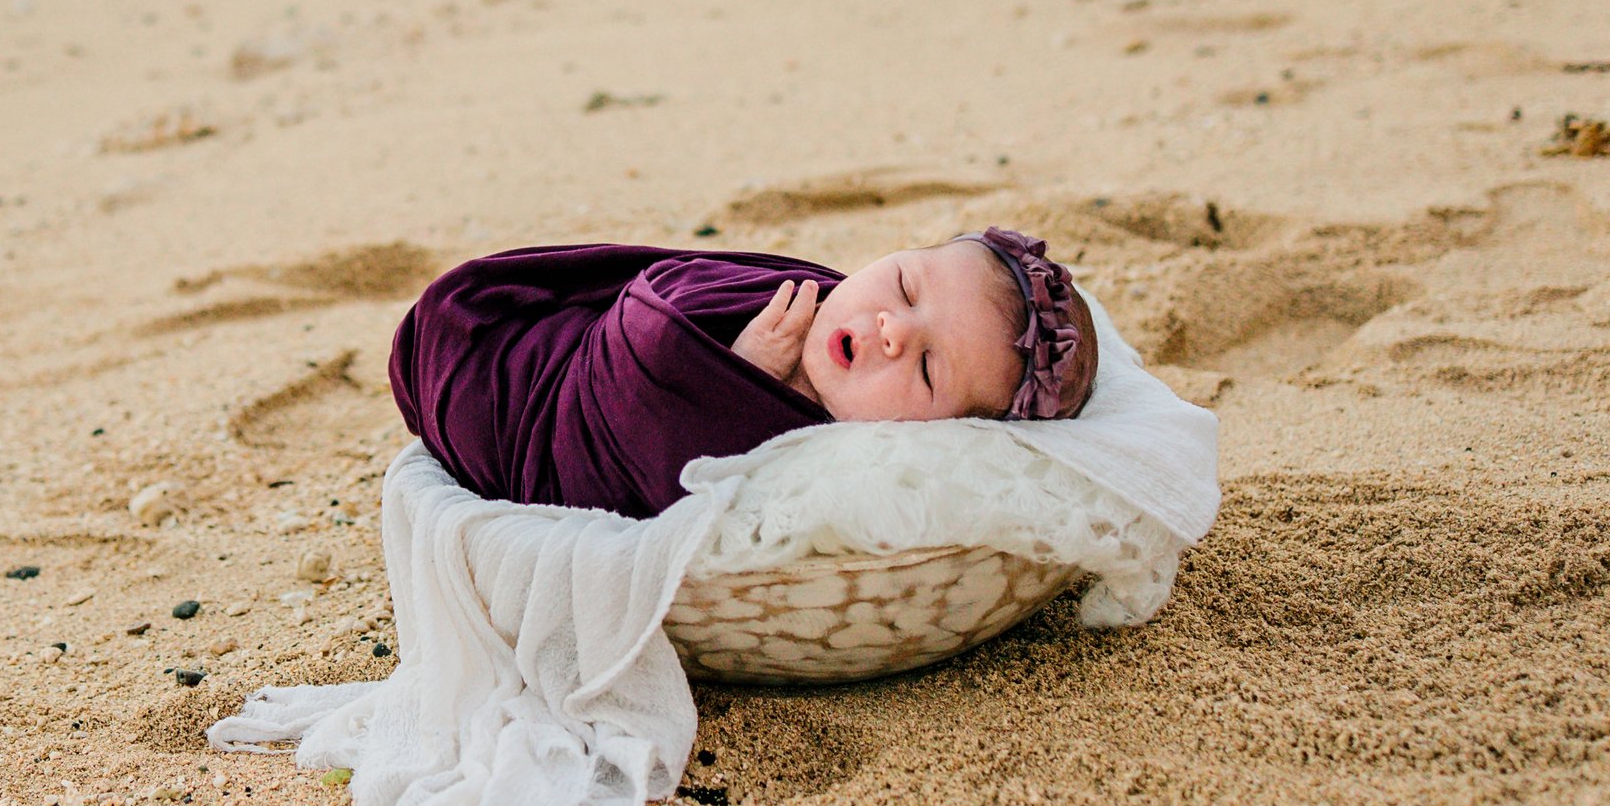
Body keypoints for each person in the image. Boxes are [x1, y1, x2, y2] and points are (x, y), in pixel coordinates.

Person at [388, 228, 1099, 520]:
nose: (893, 327)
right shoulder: (801, 302)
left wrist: (723, 384)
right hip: (524, 362)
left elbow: (677, 451)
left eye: (926, 368)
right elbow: (653, 313)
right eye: (907, 287)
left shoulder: (858, 470)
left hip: (545, 440)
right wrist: (719, 354)